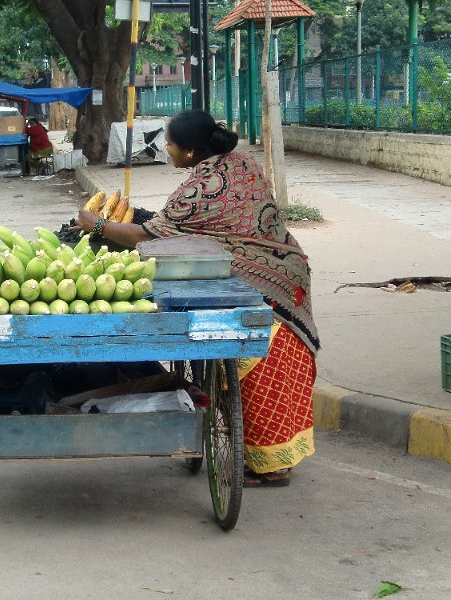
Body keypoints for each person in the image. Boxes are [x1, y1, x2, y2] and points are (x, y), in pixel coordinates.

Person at [73, 110, 320, 488]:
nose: (166, 150)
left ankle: (270, 466)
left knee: (252, 356)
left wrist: (98, 225)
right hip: (287, 269)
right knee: (270, 360)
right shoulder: (241, 162)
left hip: (262, 282)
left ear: (189, 152)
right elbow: (189, 225)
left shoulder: (199, 188)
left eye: (169, 144)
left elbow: (149, 236)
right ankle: (276, 454)